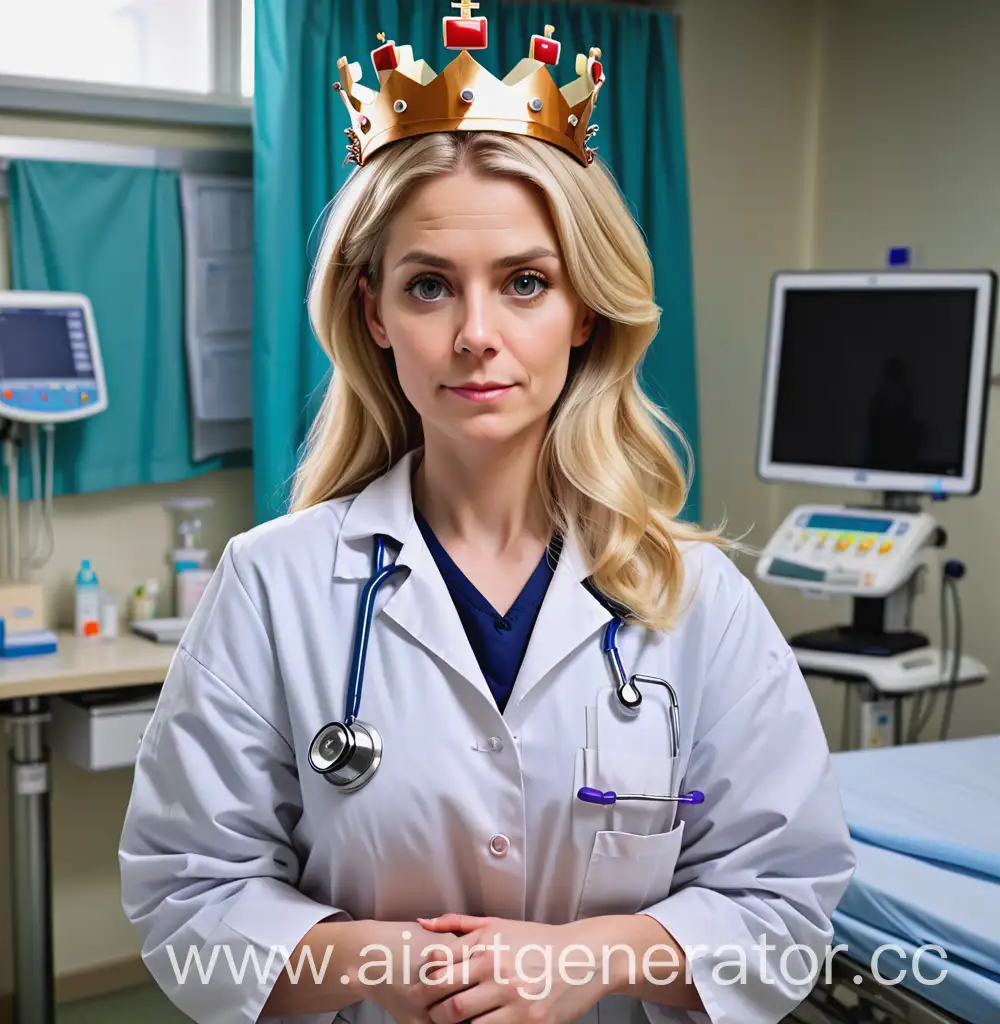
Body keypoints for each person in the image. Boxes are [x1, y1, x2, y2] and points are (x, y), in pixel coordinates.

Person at [118, 11, 855, 1024]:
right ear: (373, 312)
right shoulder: (271, 582)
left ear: (583, 309)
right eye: (428, 286)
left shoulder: (696, 600)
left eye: (524, 283)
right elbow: (186, 904)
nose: (475, 336)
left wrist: (590, 957)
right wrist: (398, 965)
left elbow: (786, 907)